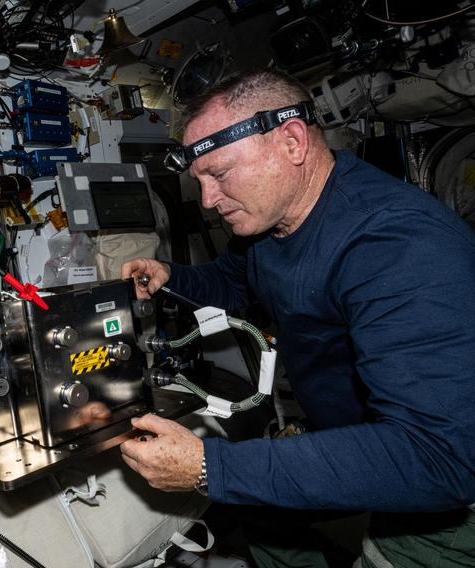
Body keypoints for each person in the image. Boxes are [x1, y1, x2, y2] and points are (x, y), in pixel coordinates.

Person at [120, 68, 475, 566]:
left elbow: (438, 460)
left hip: (439, 480)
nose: (208, 201)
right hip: (347, 431)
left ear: (291, 142)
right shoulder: (268, 224)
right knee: (264, 518)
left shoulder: (398, 247)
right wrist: (169, 276)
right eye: (199, 181)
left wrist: (210, 468)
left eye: (219, 175)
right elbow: (233, 282)